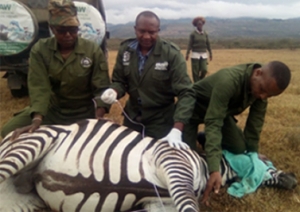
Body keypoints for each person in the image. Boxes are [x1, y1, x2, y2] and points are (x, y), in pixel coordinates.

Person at [182, 61, 291, 204]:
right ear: (257, 73)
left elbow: (255, 124)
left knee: (239, 148)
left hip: (220, 113)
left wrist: (252, 154)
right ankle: (204, 141)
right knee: (188, 160)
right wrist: (214, 169)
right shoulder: (228, 81)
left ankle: (205, 138)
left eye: (268, 96)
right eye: (262, 90)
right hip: (192, 113)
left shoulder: (261, 89)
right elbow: (213, 122)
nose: (263, 97)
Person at [1, 0, 110, 139]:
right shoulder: (40, 50)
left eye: (73, 29)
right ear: (52, 29)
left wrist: (98, 116)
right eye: (62, 31)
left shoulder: (92, 50)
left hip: (84, 112)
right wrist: (37, 119)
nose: (68, 35)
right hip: (52, 110)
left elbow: (102, 87)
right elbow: (40, 87)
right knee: (9, 131)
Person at [101, 11, 195, 148]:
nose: (146, 36)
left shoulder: (171, 54)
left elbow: (187, 93)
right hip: (132, 119)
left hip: (161, 121)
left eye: (152, 32)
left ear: (158, 31)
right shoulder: (126, 50)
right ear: (135, 29)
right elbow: (120, 81)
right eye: (141, 31)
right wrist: (114, 91)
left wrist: (177, 129)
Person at [186, 16, 212, 82]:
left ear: (203, 25)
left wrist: (210, 53)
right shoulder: (193, 34)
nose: (200, 25)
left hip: (203, 54)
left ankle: (200, 81)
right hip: (195, 54)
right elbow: (189, 44)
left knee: (204, 70)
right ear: (196, 25)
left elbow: (208, 44)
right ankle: (196, 85)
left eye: (201, 24)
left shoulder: (205, 34)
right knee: (195, 72)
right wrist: (187, 54)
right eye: (199, 24)